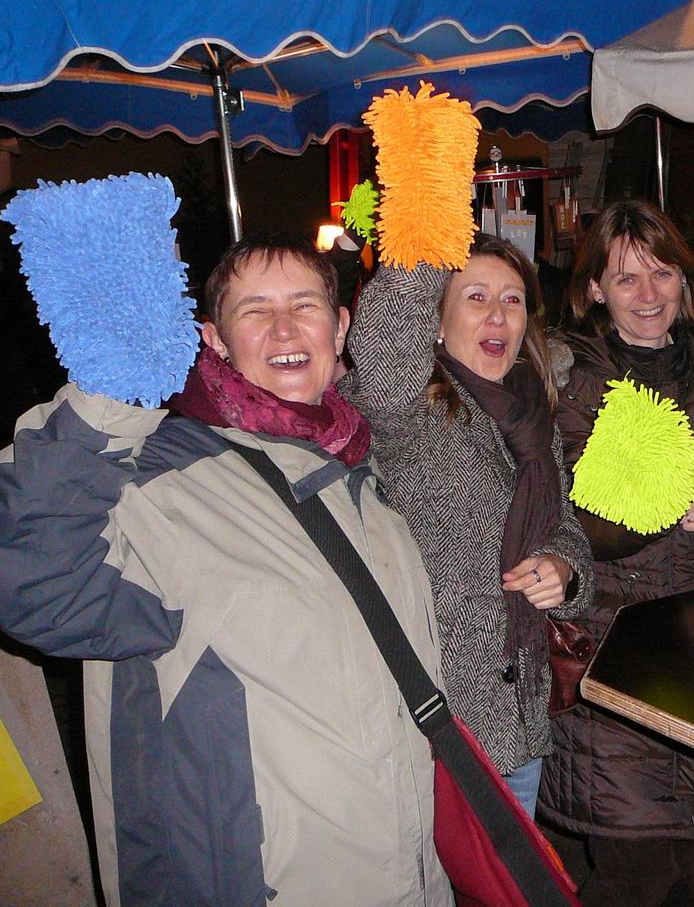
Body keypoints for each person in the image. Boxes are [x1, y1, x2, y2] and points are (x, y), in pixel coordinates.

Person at [0, 236, 452, 906]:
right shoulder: (163, 481)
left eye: (305, 304)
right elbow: (32, 579)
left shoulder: (361, 474)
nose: (284, 328)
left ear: (339, 328)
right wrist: (117, 386)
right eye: (254, 310)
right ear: (213, 340)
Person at [537, 199, 694, 907]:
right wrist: (656, 498)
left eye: (662, 273)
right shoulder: (570, 376)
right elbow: (570, 513)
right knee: (637, 872)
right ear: (595, 290)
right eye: (626, 278)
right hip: (610, 647)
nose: (648, 294)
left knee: (692, 867)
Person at [340, 234, 595, 818]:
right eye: (476, 296)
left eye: (512, 299)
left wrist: (564, 570)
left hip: (518, 719)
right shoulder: (411, 410)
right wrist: (430, 225)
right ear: (435, 319)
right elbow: (384, 340)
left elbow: (565, 527)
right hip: (436, 721)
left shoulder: (532, 416)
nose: (498, 315)